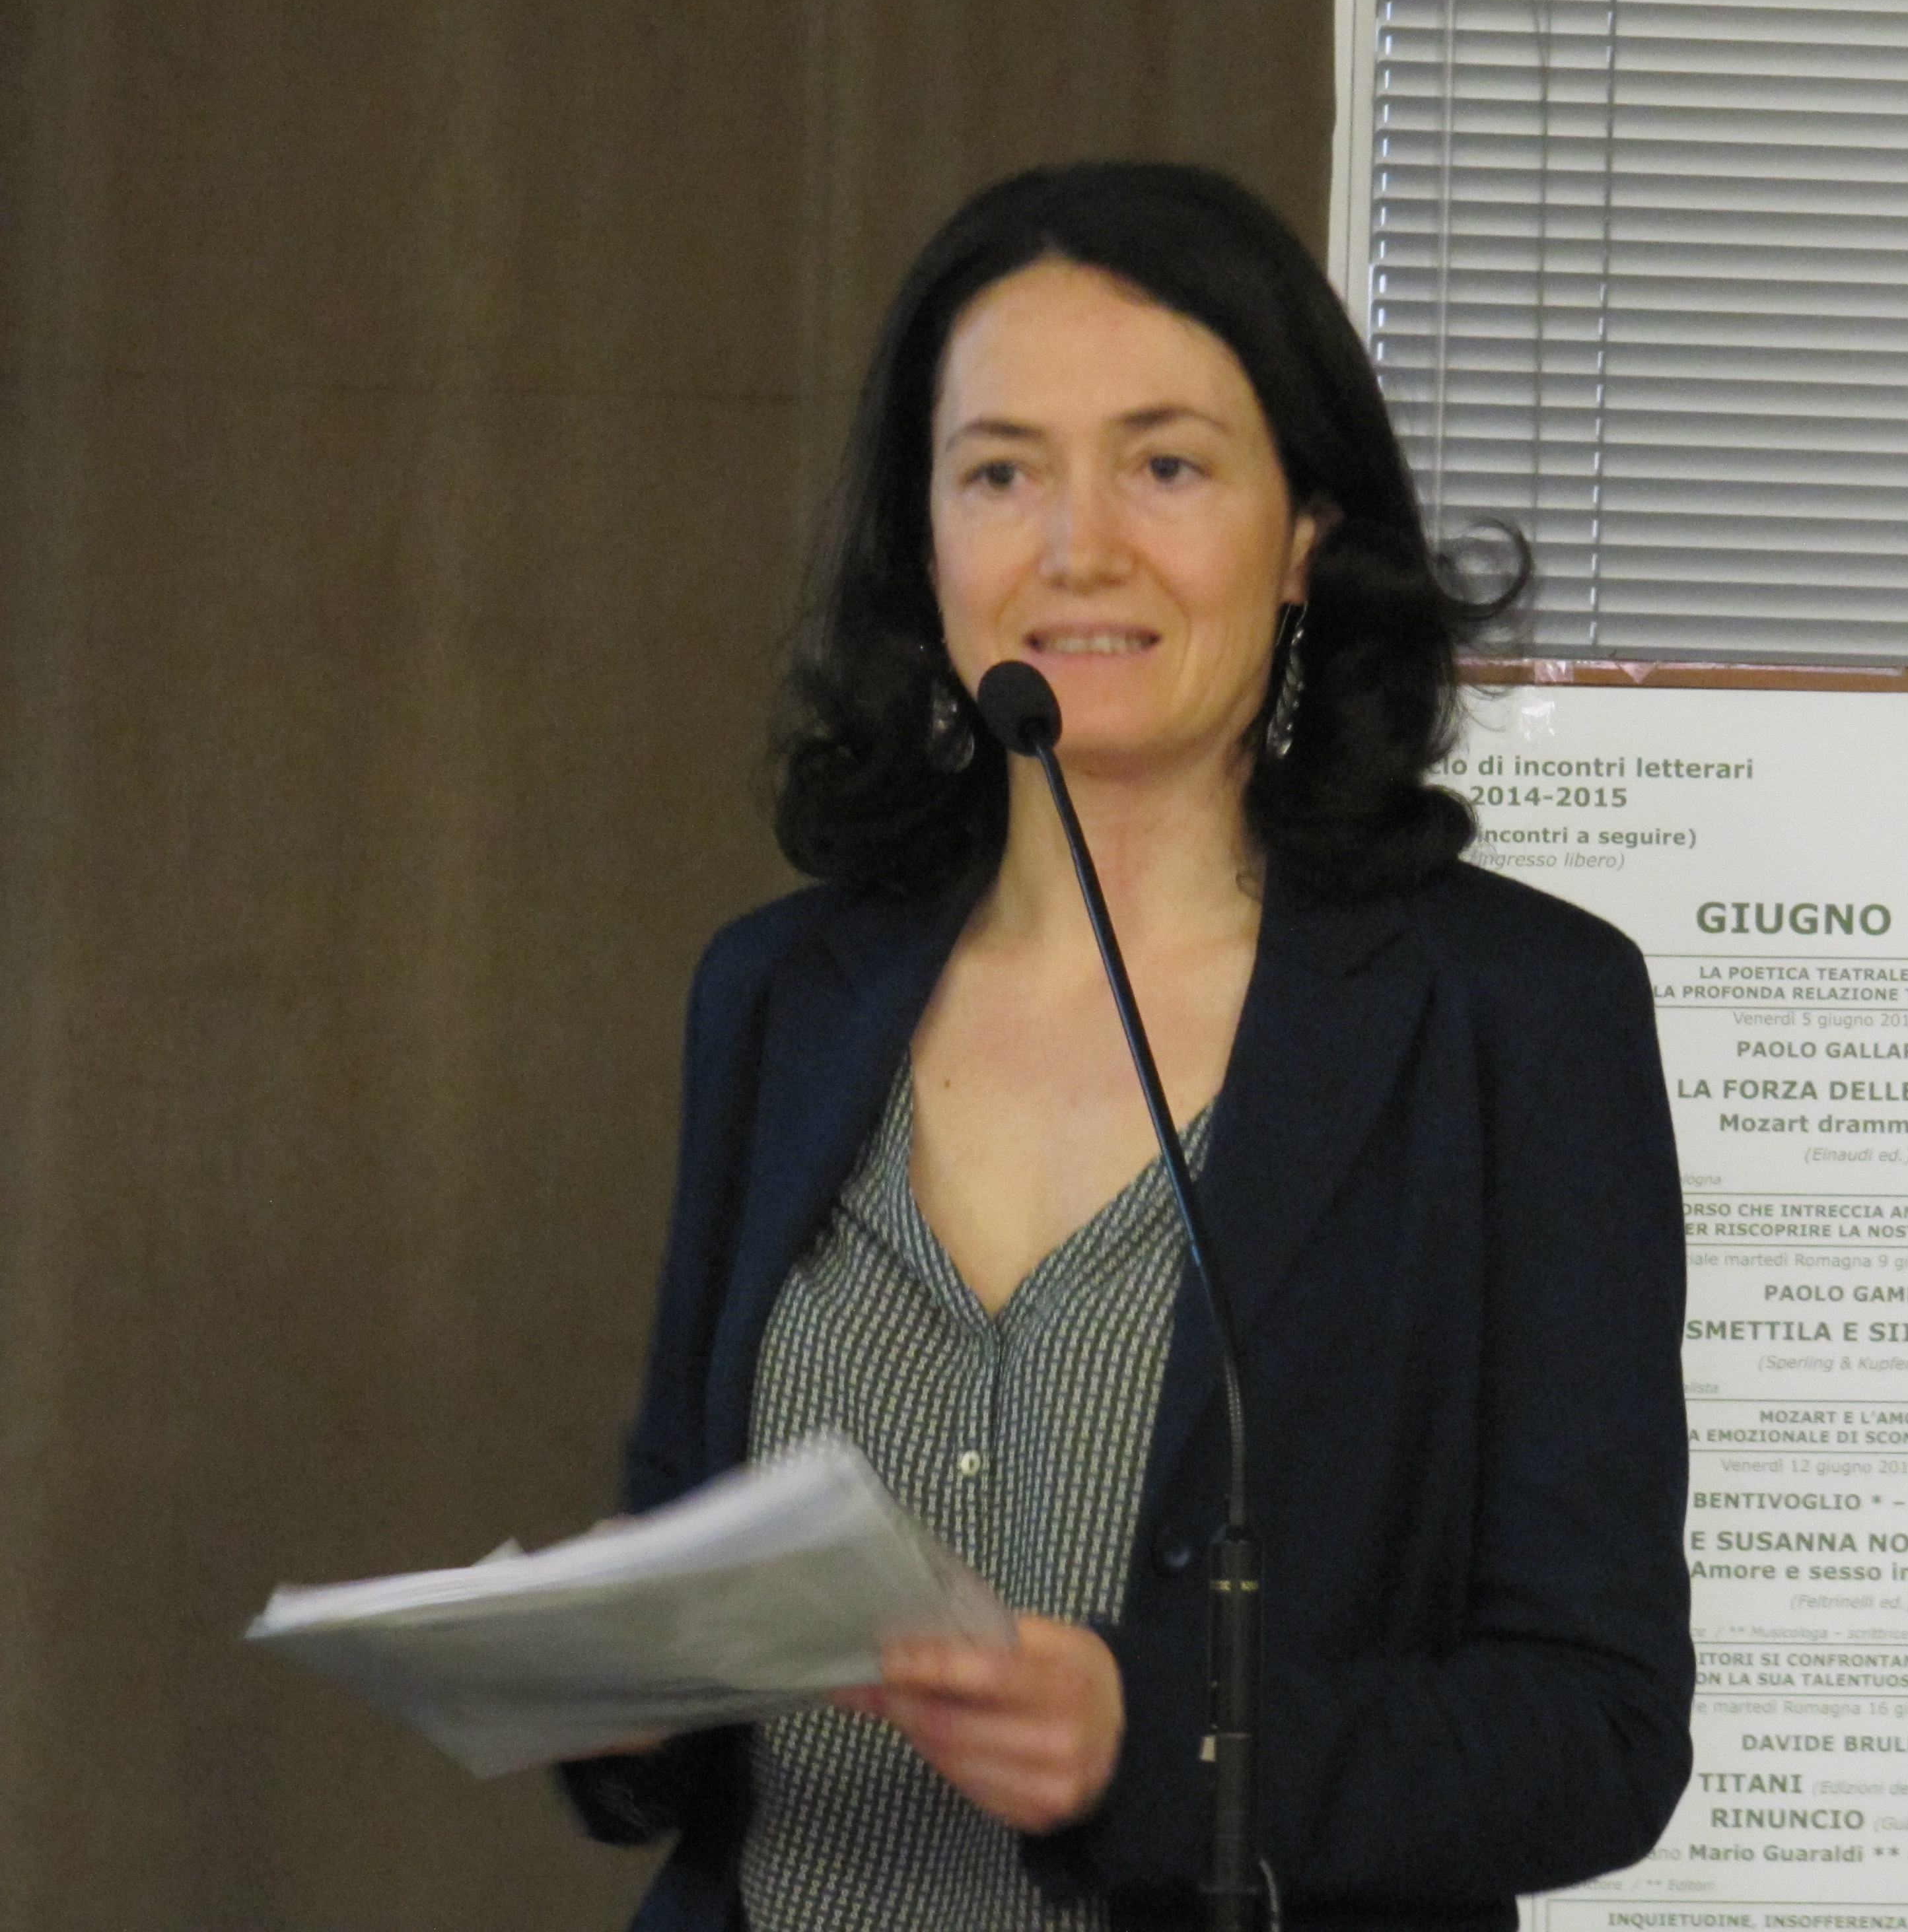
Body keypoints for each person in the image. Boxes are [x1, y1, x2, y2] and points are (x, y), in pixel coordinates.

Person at [563, 162, 1691, 1932]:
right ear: (925, 541)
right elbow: (685, 1599)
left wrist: (1159, 1746)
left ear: (1305, 534)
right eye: (1000, 473)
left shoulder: (1514, 1018)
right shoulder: (780, 996)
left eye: (1165, 467)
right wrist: (613, 1697)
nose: (1076, 548)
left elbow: (1597, 1730)